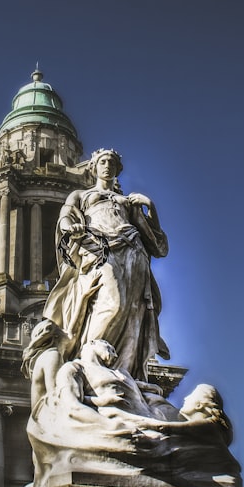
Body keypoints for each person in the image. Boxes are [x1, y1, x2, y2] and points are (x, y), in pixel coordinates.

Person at [42, 149, 169, 381]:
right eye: (103, 161)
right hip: (99, 248)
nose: (107, 165)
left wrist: (151, 207)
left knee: (133, 310)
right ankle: (91, 360)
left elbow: (158, 244)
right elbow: (66, 215)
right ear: (94, 166)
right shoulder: (81, 195)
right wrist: (70, 228)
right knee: (114, 303)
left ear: (118, 169)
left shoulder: (127, 201)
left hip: (133, 250)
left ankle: (123, 370)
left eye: (112, 162)